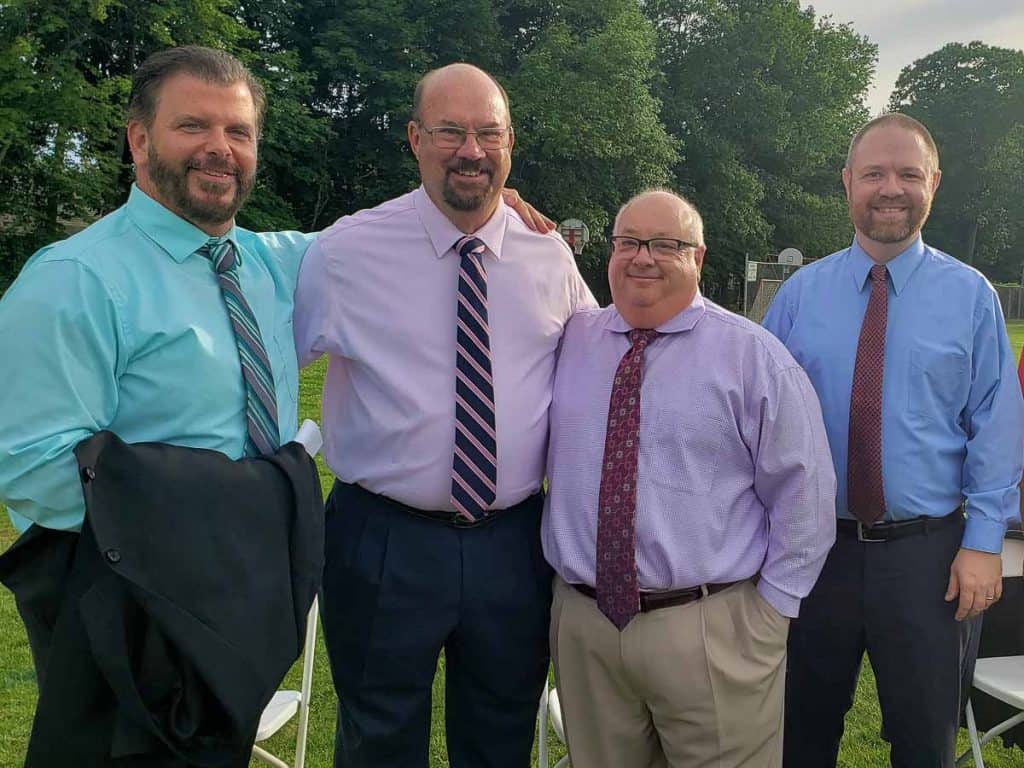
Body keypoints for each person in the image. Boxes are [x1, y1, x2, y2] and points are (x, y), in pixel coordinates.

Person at [0, 45, 322, 764]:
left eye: (238, 132)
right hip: (127, 604)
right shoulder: (75, 280)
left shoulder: (271, 264)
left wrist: (502, 214)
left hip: (236, 598)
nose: (220, 148)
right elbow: (32, 472)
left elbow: (395, 242)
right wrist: (200, 521)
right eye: (193, 127)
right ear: (140, 139)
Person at [293, 63, 596, 768]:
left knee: (500, 738)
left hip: (513, 545)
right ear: (414, 139)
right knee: (377, 740)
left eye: (488, 133)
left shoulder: (548, 256)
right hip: (382, 540)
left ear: (510, 143)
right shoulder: (345, 252)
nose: (471, 150)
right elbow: (271, 369)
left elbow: (603, 359)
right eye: (450, 132)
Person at [763, 113, 1024, 767]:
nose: (891, 188)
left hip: (929, 561)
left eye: (909, 173)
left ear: (933, 182)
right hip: (812, 553)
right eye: (875, 172)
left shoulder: (971, 298)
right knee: (798, 733)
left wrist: (985, 543)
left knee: (923, 741)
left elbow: (996, 425)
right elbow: (756, 425)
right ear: (848, 183)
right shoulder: (798, 298)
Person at [541, 189, 837, 768]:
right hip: (585, 626)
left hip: (709, 627)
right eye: (628, 242)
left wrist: (767, 615)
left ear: (697, 258)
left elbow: (807, 494)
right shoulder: (573, 340)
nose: (642, 257)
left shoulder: (753, 357)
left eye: (665, 245)